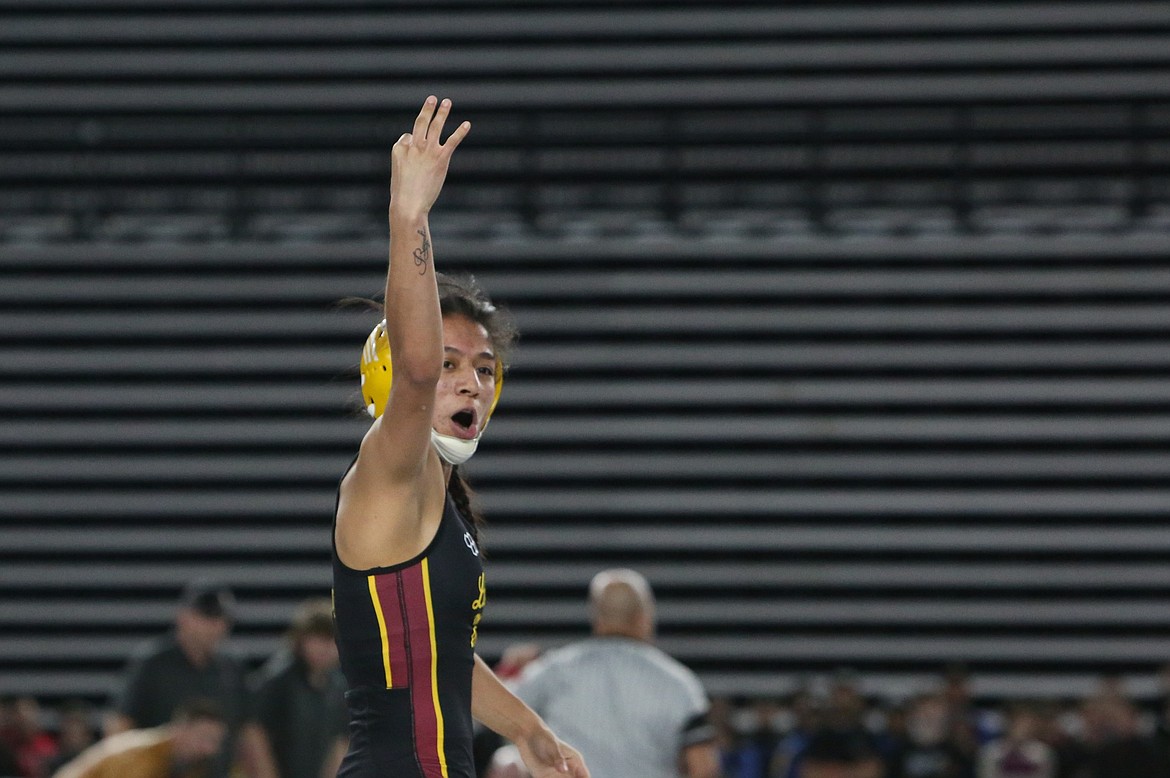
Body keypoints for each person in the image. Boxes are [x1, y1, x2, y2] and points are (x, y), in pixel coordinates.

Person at [331, 94, 588, 778]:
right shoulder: (385, 470)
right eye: (450, 365)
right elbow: (414, 372)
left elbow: (438, 657)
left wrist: (531, 734)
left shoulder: (437, 504)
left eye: (481, 367)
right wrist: (409, 216)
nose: (468, 382)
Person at [505, 568, 721, 778]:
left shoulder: (554, 671)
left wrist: (510, 669)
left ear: (597, 617)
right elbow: (703, 767)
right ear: (645, 617)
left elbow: (496, 711)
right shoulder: (679, 683)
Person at [106, 580, 250, 778]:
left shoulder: (232, 668)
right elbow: (120, 726)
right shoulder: (153, 664)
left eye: (222, 620)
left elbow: (247, 732)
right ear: (183, 616)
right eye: (207, 617)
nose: (216, 627)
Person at [244, 598, 349, 778]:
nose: (326, 648)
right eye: (319, 638)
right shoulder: (277, 680)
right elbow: (254, 733)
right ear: (300, 639)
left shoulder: (337, 687)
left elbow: (339, 742)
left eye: (332, 640)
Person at [52, 698, 226, 778]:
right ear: (180, 729)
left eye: (215, 742)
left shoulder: (191, 765)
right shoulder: (139, 756)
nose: (210, 749)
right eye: (204, 738)